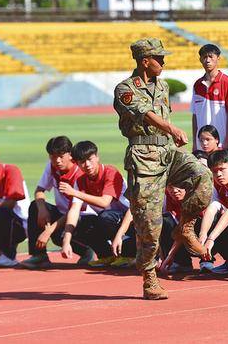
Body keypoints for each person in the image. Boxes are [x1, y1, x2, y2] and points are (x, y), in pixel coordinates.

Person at [113, 37, 212, 300]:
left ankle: (186, 227)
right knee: (150, 225)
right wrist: (171, 128)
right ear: (145, 61)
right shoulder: (125, 88)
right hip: (143, 158)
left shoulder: (163, 85)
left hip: (168, 152)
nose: (164, 62)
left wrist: (170, 134)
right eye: (159, 58)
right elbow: (144, 114)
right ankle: (149, 278)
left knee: (203, 176)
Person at [19, 136, 88, 269]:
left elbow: (74, 210)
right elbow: (39, 190)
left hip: (81, 216)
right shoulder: (52, 167)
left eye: (61, 156)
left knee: (58, 235)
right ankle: (39, 256)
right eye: (52, 156)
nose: (57, 160)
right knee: (35, 206)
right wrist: (42, 208)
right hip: (62, 214)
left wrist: (48, 231)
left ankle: (87, 250)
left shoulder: (79, 173)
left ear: (70, 155)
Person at [59, 140, 131, 268]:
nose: (87, 165)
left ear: (97, 157)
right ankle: (106, 255)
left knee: (106, 217)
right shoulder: (81, 181)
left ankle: (129, 254)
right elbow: (74, 211)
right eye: (82, 162)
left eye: (90, 159)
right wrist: (66, 240)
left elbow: (104, 202)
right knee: (82, 222)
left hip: (131, 218)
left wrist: (75, 192)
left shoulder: (111, 172)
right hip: (109, 218)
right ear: (77, 163)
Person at [191, 44, 228, 151]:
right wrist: (195, 142)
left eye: (211, 57)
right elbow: (195, 115)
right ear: (200, 59)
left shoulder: (226, 82)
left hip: (222, 142)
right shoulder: (197, 85)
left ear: (218, 59)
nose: (207, 60)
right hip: (203, 143)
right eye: (204, 57)